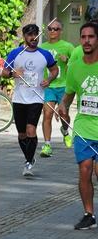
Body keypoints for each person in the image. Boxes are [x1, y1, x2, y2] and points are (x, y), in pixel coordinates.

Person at [3, 23, 58, 176]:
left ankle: (28, 162)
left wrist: (50, 79)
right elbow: (4, 72)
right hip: (19, 99)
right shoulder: (15, 53)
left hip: (36, 98)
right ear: (25, 37)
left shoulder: (45, 54)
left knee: (31, 130)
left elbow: (54, 70)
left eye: (36, 34)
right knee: (21, 134)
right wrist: (13, 74)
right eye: (30, 35)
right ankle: (29, 159)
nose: (33, 38)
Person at [61, 22, 98, 229]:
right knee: (85, 171)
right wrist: (63, 107)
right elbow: (68, 95)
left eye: (91, 37)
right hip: (83, 128)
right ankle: (89, 214)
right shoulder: (74, 68)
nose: (86, 41)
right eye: (83, 37)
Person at [39, 18, 74, 156]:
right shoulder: (42, 47)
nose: (52, 31)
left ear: (61, 31)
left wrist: (68, 60)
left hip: (64, 86)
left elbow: (78, 64)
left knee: (64, 114)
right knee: (47, 114)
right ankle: (47, 145)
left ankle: (65, 131)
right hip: (48, 86)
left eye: (56, 29)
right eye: (50, 29)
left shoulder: (68, 46)